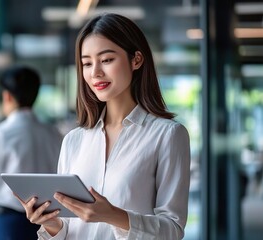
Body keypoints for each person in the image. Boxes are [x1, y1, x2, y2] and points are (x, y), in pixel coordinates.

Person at [17, 13, 191, 240]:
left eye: (107, 60)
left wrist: (113, 216)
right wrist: (51, 224)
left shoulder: (168, 135)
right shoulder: (74, 140)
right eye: (87, 63)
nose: (95, 72)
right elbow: (69, 231)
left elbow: (173, 230)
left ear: (136, 60)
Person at [0, 65, 63, 240]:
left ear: (7, 96)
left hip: (5, 225)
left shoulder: (1, 134)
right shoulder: (53, 133)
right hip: (46, 224)